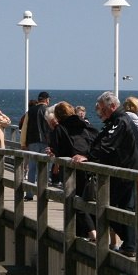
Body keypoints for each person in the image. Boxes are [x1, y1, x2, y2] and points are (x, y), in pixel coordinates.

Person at [87, 91, 138, 255]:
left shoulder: (120, 121)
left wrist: (88, 157)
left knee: (115, 207)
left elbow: (107, 145)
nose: (100, 113)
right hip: (121, 170)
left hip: (127, 171)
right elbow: (101, 141)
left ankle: (131, 244)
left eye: (103, 110)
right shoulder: (114, 120)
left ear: (112, 106)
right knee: (111, 208)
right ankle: (130, 243)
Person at [48, 101, 98, 238]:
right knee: (90, 200)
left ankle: (90, 233)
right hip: (89, 166)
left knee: (75, 200)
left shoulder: (60, 128)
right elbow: (97, 140)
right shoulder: (86, 124)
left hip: (71, 170)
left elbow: (57, 149)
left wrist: (53, 153)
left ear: (57, 116)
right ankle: (93, 231)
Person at [21, 92, 51, 200]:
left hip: (32, 142)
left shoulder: (30, 111)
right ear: (47, 100)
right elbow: (51, 127)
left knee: (32, 167)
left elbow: (24, 128)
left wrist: (23, 143)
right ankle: (43, 193)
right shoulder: (48, 110)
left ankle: (29, 194)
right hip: (46, 142)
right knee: (44, 168)